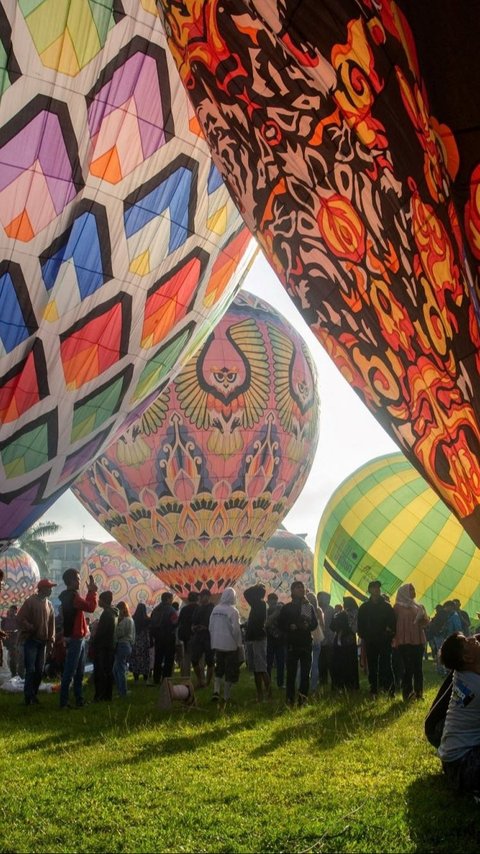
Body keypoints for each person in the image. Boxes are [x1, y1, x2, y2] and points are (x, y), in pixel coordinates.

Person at [436, 632, 480, 794]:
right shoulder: (476, 687)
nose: (472, 638)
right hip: (464, 764)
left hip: (451, 760)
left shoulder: (461, 673)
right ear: (468, 658)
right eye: (466, 641)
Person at [59, 568, 98, 709]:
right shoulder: (73, 597)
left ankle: (78, 700)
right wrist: (92, 591)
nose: (80, 580)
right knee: (71, 671)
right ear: (71, 580)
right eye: (77, 578)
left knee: (78, 671)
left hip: (77, 637)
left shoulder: (67, 596)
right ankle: (65, 702)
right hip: (77, 638)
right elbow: (91, 607)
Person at [16, 579, 56, 706]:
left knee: (39, 670)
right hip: (31, 641)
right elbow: (20, 618)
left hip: (43, 642)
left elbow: (51, 625)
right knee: (31, 670)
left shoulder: (49, 605)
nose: (51, 590)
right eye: (49, 588)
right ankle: (29, 696)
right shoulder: (30, 601)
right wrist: (29, 626)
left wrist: (51, 641)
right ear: (42, 588)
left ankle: (33, 694)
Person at [278, 581, 318, 706]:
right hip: (292, 644)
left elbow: (314, 623)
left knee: (305, 674)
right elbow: (280, 624)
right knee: (291, 673)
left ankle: (303, 699)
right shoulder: (287, 607)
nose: (301, 589)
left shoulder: (307, 606)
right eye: (297, 587)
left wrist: (308, 626)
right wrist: (290, 627)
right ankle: (290, 699)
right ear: (292, 590)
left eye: (302, 587)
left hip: (306, 643)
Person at [357, 580, 396, 697]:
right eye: (374, 588)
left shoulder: (387, 607)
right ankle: (373, 689)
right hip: (371, 641)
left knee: (387, 666)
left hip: (384, 641)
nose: (376, 590)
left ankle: (389, 689)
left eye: (378, 588)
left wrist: (388, 635)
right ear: (369, 590)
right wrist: (365, 636)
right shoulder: (364, 608)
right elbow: (360, 625)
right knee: (372, 667)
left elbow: (393, 623)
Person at [392, 582, 429, 702]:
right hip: (404, 641)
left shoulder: (417, 606)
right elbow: (393, 624)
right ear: (404, 592)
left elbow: (424, 624)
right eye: (411, 590)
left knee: (418, 667)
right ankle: (407, 693)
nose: (413, 592)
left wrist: (423, 617)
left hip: (418, 640)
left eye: (414, 589)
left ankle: (419, 693)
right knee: (408, 668)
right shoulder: (397, 607)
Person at [209, 587, 243, 703]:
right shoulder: (233, 611)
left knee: (219, 668)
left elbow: (210, 626)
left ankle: (216, 691)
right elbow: (236, 631)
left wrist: (214, 639)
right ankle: (226, 696)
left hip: (217, 643)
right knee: (230, 670)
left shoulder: (215, 609)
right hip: (230, 645)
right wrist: (239, 645)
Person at [244, 584, 271, 702]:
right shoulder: (260, 604)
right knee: (257, 668)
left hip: (258, 638)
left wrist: (255, 586)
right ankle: (261, 694)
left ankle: (266, 694)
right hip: (255, 637)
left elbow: (246, 592)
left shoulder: (258, 604)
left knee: (260, 668)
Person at [92, 591, 118, 701]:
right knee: (108, 671)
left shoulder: (106, 614)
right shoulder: (114, 612)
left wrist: (94, 640)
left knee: (100, 672)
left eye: (100, 600)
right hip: (110, 646)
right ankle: (107, 695)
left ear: (104, 601)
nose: (98, 601)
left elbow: (101, 632)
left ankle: (99, 695)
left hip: (103, 647)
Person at [150, 591, 178, 684]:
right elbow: (175, 622)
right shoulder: (171, 610)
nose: (172, 600)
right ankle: (166, 679)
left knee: (158, 658)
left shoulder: (155, 610)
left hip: (158, 638)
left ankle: (156, 679)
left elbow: (151, 623)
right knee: (168, 659)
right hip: (169, 637)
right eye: (171, 599)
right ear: (168, 599)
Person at [331, 604, 360, 691]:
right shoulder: (355, 615)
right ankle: (352, 685)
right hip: (350, 643)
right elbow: (355, 629)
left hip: (340, 643)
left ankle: (340, 685)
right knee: (351, 665)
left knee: (340, 664)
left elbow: (332, 627)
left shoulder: (339, 615)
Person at [190, 589, 215, 688]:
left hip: (209, 636)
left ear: (207, 596)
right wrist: (193, 627)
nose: (199, 598)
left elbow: (214, 623)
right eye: (199, 596)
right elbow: (193, 622)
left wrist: (206, 627)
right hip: (198, 636)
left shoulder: (213, 608)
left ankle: (208, 682)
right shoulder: (197, 608)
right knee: (194, 659)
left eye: (202, 596)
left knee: (210, 660)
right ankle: (200, 680)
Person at [113, 601, 136, 698]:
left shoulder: (124, 620)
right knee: (116, 669)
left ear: (122, 609)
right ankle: (121, 690)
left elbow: (119, 633)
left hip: (122, 644)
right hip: (128, 645)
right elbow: (134, 634)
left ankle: (123, 692)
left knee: (120, 669)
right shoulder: (131, 620)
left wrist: (116, 626)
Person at [177, 591, 199, 678]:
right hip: (197, 636)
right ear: (197, 598)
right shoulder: (199, 608)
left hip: (186, 636)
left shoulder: (184, 609)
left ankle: (185, 676)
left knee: (187, 657)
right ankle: (201, 677)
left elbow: (179, 622)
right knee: (199, 657)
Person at [265, 592, 285, 689]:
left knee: (278, 663)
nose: (271, 603)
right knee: (270, 663)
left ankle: (277, 683)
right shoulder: (267, 611)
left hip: (278, 640)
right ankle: (272, 683)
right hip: (272, 640)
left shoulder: (280, 608)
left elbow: (266, 624)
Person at [317, 592, 335, 687]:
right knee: (320, 662)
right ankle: (322, 680)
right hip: (319, 640)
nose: (320, 600)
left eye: (322, 598)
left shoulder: (331, 610)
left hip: (329, 639)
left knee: (330, 661)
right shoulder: (316, 609)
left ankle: (334, 681)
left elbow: (333, 625)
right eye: (319, 598)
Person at [129, 603, 151, 682]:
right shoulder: (148, 620)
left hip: (135, 642)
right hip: (145, 642)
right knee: (145, 659)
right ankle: (145, 678)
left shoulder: (133, 619)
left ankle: (136, 679)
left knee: (135, 659)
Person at [1, 605, 23, 678]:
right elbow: (2, 630)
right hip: (6, 641)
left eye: (13, 611)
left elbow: (20, 630)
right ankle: (11, 673)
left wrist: (15, 632)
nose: (12, 612)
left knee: (13, 658)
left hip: (15, 641)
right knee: (6, 658)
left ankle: (14, 674)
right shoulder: (4, 620)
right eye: (11, 610)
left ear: (16, 611)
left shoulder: (18, 620)